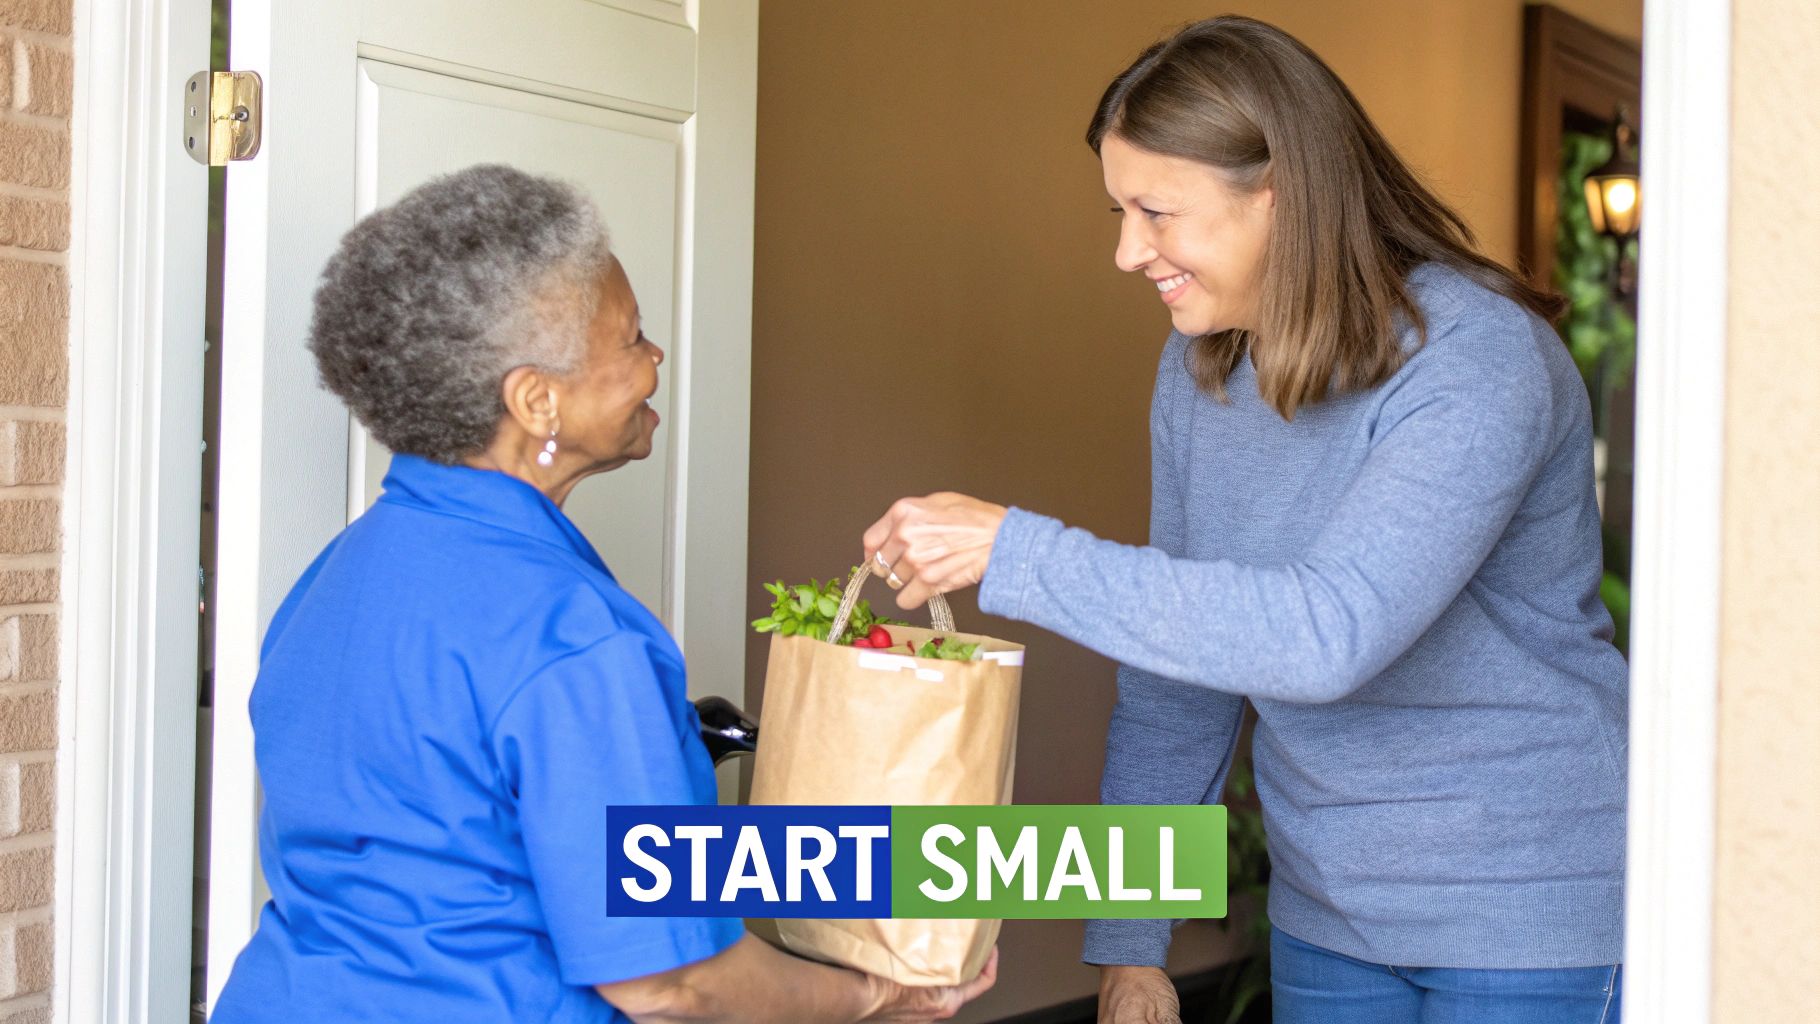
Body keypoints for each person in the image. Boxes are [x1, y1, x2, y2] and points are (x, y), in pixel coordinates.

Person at [861, 17, 1626, 1024]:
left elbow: (1328, 633)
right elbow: (1178, 676)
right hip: (1325, 910)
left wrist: (1016, 550)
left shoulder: (1475, 362)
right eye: (1117, 209)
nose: (1127, 250)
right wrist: (1130, 942)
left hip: (1519, 910)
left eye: (1155, 211)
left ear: (1278, 194)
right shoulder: (1202, 368)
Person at [212, 164, 994, 1023]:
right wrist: (875, 996)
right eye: (632, 339)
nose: (655, 358)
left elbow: (463, 850)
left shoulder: (332, 582)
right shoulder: (573, 637)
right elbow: (667, 982)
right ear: (535, 401)